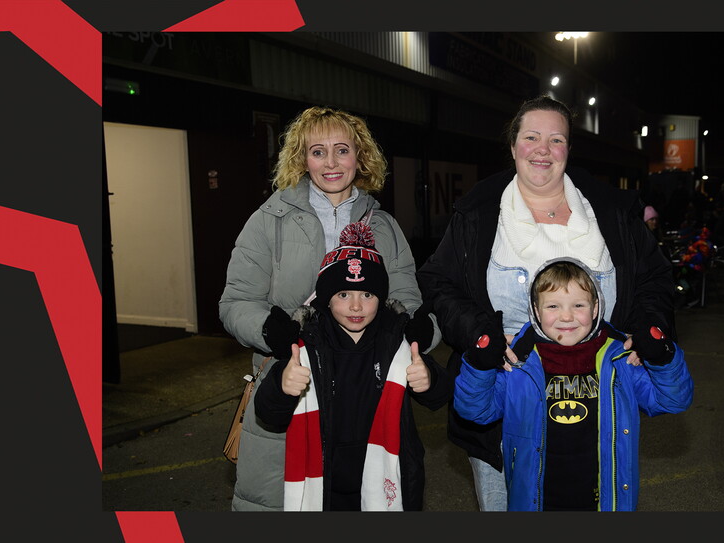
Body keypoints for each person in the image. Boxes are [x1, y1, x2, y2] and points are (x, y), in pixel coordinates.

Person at [416, 95, 676, 511]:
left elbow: (655, 278)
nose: (543, 149)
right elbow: (437, 281)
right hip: (503, 401)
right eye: (531, 137)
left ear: (568, 149)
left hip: (596, 405)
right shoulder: (479, 212)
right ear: (513, 145)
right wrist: (480, 336)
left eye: (556, 140)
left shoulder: (611, 210)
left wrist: (646, 332)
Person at [218, 105, 439, 512]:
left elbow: (407, 299)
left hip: (366, 387)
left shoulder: (383, 226)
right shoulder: (270, 220)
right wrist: (270, 330)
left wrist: (419, 330)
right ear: (302, 159)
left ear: (360, 156)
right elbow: (236, 302)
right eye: (317, 151)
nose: (331, 163)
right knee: (282, 503)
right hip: (292, 380)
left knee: (363, 497)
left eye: (342, 150)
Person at [453, 258, 693, 511]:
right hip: (535, 502)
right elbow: (475, 411)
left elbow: (672, 400)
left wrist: (662, 357)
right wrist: (480, 364)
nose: (566, 316)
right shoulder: (518, 362)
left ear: (595, 308)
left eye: (578, 305)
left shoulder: (619, 359)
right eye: (553, 306)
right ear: (536, 311)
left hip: (603, 502)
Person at [253, 222, 451, 511]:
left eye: (367, 295)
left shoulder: (396, 341)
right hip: (326, 485)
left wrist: (428, 379)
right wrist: (283, 386)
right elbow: (267, 412)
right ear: (326, 299)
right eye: (344, 295)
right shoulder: (307, 345)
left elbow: (442, 394)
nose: (356, 306)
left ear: (380, 298)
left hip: (388, 479)